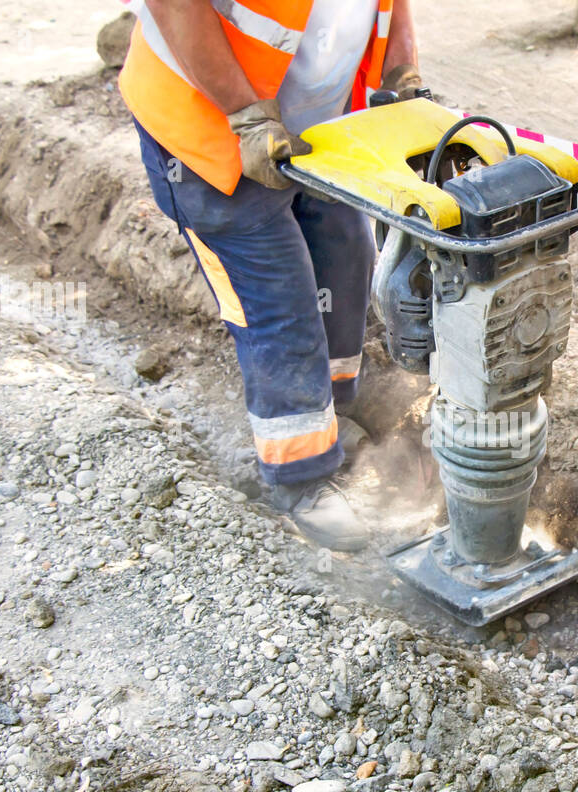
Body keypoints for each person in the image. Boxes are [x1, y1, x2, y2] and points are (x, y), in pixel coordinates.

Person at [118, 0, 423, 551]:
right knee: (280, 300)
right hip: (210, 127)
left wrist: (402, 71)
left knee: (346, 257)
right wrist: (247, 115)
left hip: (318, 127)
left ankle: (327, 418)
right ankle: (301, 476)